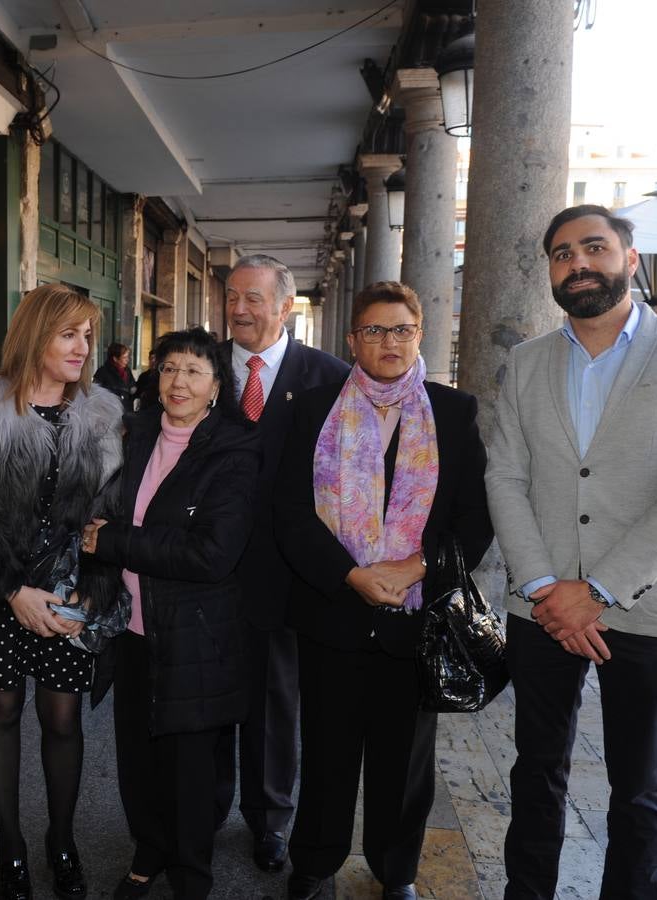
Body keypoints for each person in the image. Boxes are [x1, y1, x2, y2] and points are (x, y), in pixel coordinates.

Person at [486, 205, 657, 900]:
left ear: (629, 257)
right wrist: (544, 586)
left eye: (593, 247)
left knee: (641, 787)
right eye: (562, 254)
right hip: (538, 608)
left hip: (644, 605)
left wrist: (593, 591)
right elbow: (505, 475)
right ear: (551, 273)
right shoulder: (527, 361)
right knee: (535, 773)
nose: (578, 263)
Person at [274, 281, 493, 900]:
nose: (388, 342)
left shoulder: (453, 412)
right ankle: (314, 864)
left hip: (414, 617)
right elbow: (289, 511)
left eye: (401, 330)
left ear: (419, 335)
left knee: (406, 761)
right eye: (374, 330)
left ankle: (397, 871)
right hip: (332, 610)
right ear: (353, 340)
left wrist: (416, 567)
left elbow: (475, 519)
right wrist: (351, 574)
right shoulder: (314, 406)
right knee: (326, 750)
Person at [0, 283, 124, 900]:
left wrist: (91, 591)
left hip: (68, 591)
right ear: (35, 334)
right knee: (0, 709)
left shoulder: (101, 411)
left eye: (87, 335)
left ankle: (61, 840)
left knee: (63, 717)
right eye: (69, 333)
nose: (82, 346)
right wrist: (10, 588)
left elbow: (107, 515)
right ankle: (10, 846)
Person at [83, 327, 260, 899]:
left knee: (189, 768)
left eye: (193, 371)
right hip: (131, 630)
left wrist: (114, 542)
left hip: (197, 636)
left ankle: (191, 874)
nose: (178, 381)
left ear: (215, 387)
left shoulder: (234, 449)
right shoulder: (133, 437)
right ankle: (148, 849)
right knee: (137, 756)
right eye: (168, 368)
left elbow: (211, 554)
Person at [215, 254, 350, 872]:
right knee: (207, 692)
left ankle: (271, 819)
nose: (239, 309)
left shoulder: (328, 377)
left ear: (286, 305)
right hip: (206, 568)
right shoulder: (203, 367)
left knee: (275, 701)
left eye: (254, 299)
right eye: (231, 296)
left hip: (287, 571)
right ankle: (205, 808)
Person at [93, 341, 138, 411]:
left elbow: (132, 386)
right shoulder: (102, 372)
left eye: (127, 357)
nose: (127, 360)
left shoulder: (127, 370)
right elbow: (95, 392)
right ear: (115, 359)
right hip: (110, 411)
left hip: (127, 411)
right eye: (124, 357)